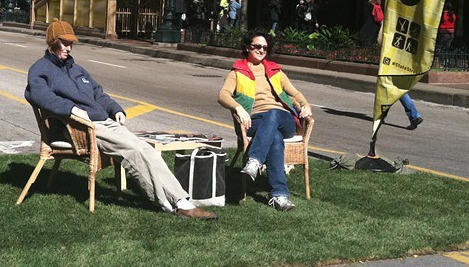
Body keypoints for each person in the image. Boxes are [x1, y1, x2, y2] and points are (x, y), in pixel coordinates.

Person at [26, 20, 217, 220]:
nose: (69, 47)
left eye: (71, 43)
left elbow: (98, 93)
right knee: (133, 151)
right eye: (64, 43)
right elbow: (37, 95)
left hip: (103, 122)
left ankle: (180, 200)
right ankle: (167, 203)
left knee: (146, 149)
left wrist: (115, 109)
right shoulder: (41, 69)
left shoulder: (77, 69)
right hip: (80, 127)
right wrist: (71, 109)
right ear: (52, 43)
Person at [218, 30, 312, 212]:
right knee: (275, 138)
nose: (261, 50)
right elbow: (222, 95)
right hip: (256, 122)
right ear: (247, 47)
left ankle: (254, 160)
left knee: (273, 113)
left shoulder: (275, 71)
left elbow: (295, 94)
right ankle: (279, 196)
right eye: (257, 46)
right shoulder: (238, 72)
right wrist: (237, 108)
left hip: (283, 119)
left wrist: (305, 105)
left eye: (265, 47)